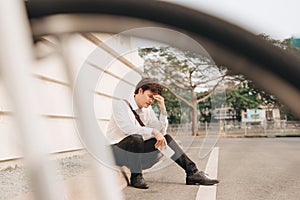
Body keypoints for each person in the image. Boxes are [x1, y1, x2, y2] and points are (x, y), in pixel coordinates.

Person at [106, 78, 219, 189]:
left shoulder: (147, 110)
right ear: (140, 91)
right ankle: (136, 177)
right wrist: (153, 132)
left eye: (153, 99)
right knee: (136, 138)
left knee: (167, 139)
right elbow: (127, 128)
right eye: (150, 96)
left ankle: (192, 173)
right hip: (116, 151)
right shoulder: (121, 104)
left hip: (136, 153)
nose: (151, 101)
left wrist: (163, 109)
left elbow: (161, 132)